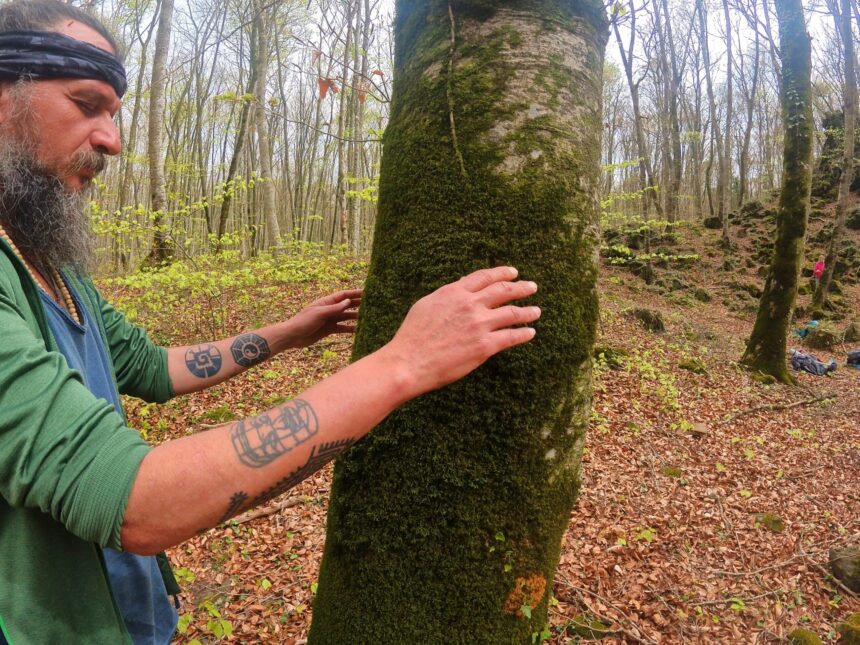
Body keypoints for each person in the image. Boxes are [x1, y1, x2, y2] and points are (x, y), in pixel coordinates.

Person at [0, 2, 541, 643]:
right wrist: (406, 363)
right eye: (87, 103)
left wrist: (290, 333)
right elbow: (134, 500)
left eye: (114, 114)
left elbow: (149, 366)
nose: (112, 139)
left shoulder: (47, 261)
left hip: (128, 615)